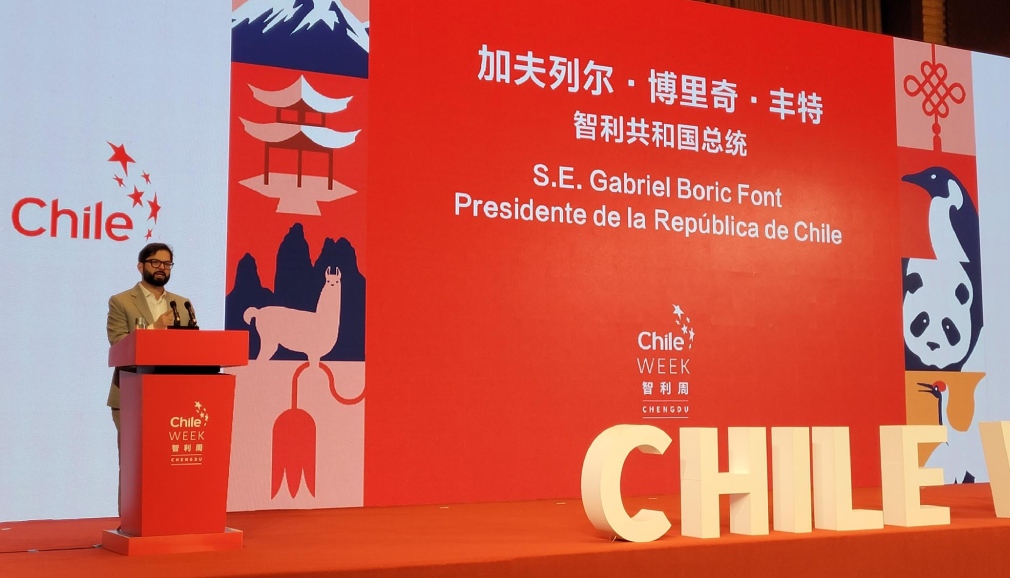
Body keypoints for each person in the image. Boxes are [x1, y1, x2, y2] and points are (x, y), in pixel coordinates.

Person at [106, 242, 194, 433]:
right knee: (135, 452)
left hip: (174, 394)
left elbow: (191, 346)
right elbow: (118, 343)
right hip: (132, 392)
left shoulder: (182, 304)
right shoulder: (121, 301)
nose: (162, 267)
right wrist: (155, 328)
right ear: (141, 266)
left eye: (167, 264)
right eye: (155, 262)